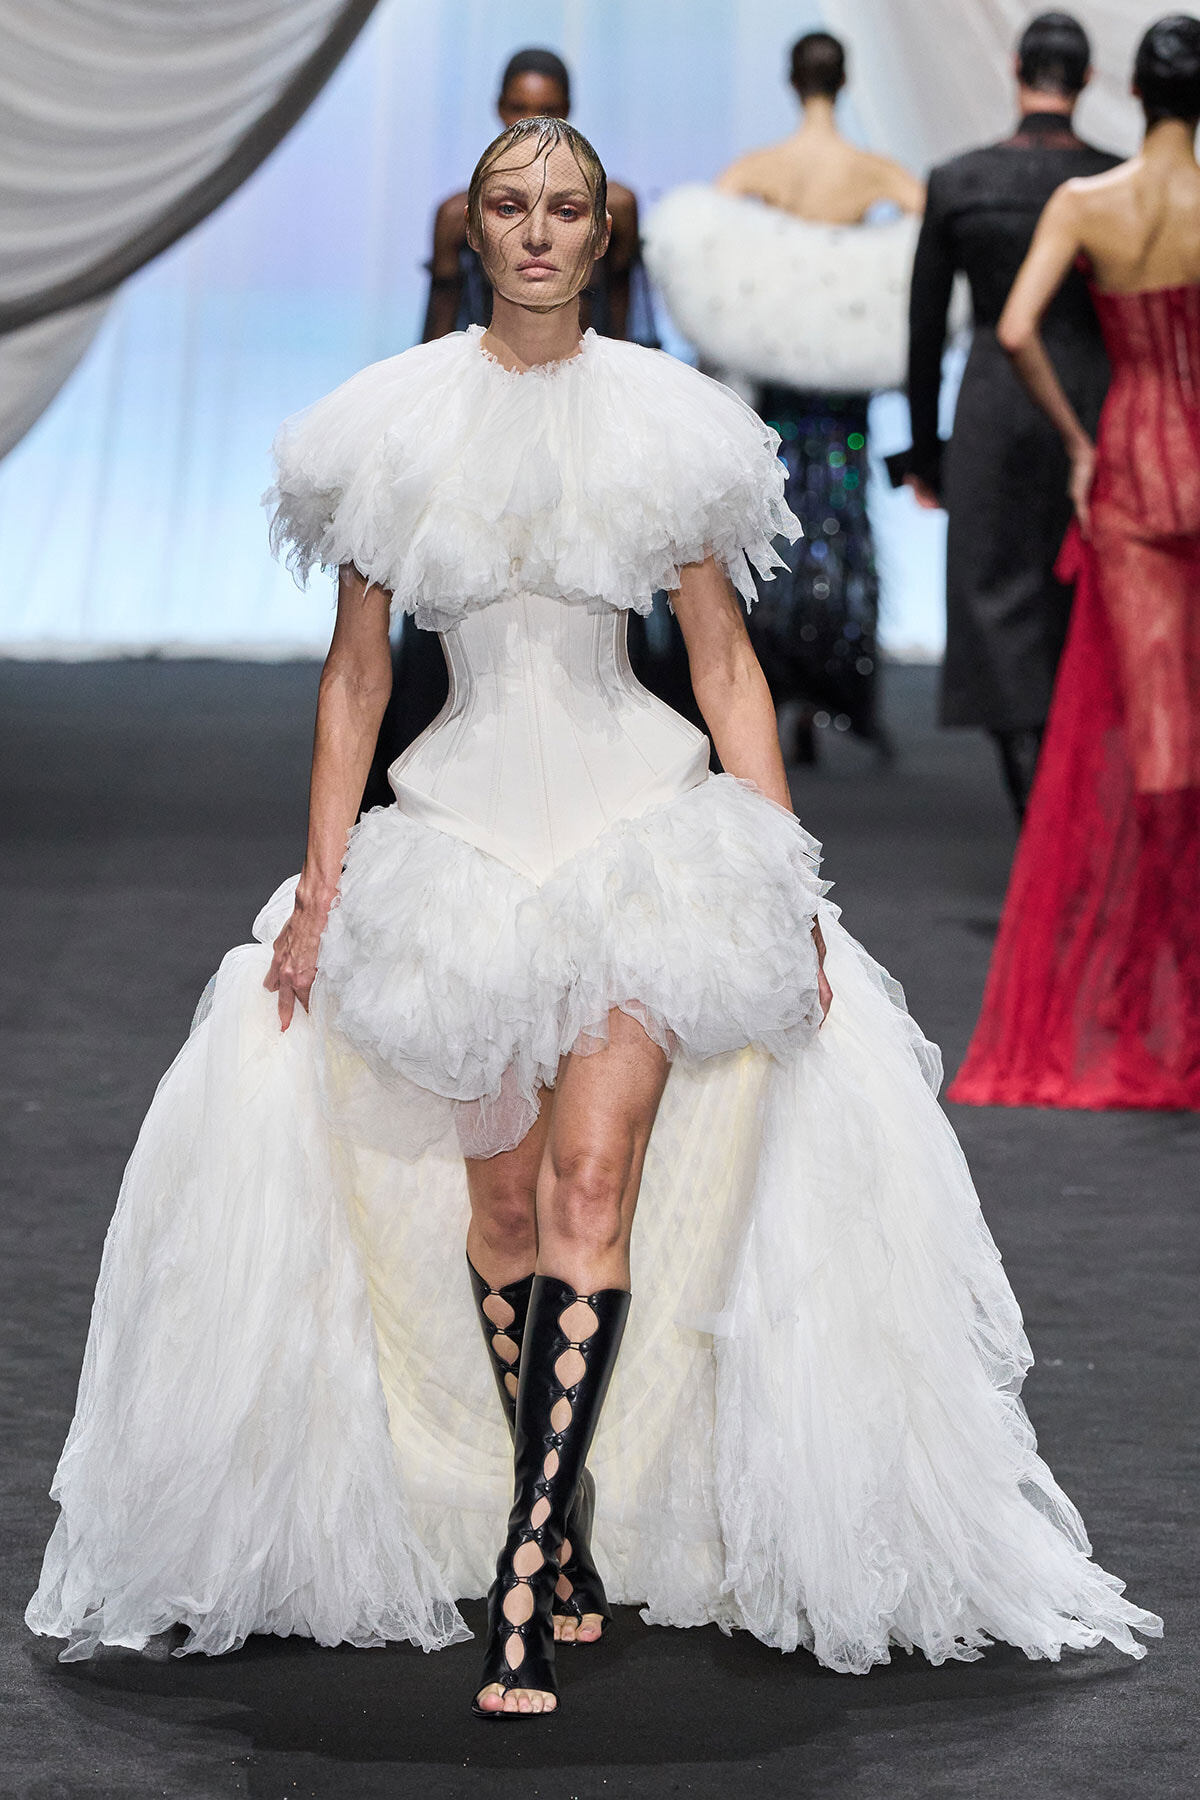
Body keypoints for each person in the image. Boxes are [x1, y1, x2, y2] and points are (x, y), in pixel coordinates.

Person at [27, 119, 1159, 1716]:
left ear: (603, 231)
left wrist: (785, 873)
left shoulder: (669, 425)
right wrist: (325, 887)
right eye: (511, 206)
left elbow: (723, 665)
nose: (538, 232)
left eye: (565, 208)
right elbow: (356, 678)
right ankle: (553, 1543)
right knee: (495, 1220)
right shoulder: (396, 426)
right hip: (457, 848)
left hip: (642, 835)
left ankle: (522, 1565)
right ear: (475, 226)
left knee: (586, 1180)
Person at [950, 16, 1200, 1110]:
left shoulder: (1091, 204)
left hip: (1135, 474)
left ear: (1129, 92)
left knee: (1159, 744)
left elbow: (1012, 328)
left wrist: (1082, 441)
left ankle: (1154, 988)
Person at [363, 47, 658, 809]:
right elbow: (436, 322)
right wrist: (423, 408)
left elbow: (628, 317)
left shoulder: (613, 205)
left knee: (605, 593)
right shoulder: (454, 214)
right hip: (481, 410)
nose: (536, 118)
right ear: (498, 108)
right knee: (458, 592)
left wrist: (636, 407)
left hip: (583, 406)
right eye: (522, 105)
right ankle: (435, 774)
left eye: (552, 104)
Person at [900, 12, 1120, 818]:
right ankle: (1073, 807)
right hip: (1093, 400)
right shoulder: (1115, 180)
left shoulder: (960, 180)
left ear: (1017, 69)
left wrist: (924, 452)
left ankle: (1034, 799)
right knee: (1078, 592)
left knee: (993, 593)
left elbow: (925, 332)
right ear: (1087, 78)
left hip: (994, 396)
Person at [706, 31, 924, 760]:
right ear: (846, 80)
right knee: (845, 532)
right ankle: (836, 698)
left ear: (790, 81)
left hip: (785, 382)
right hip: (840, 388)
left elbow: (715, 223)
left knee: (776, 525)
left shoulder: (762, 168)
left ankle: (778, 688)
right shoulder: (871, 171)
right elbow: (925, 217)